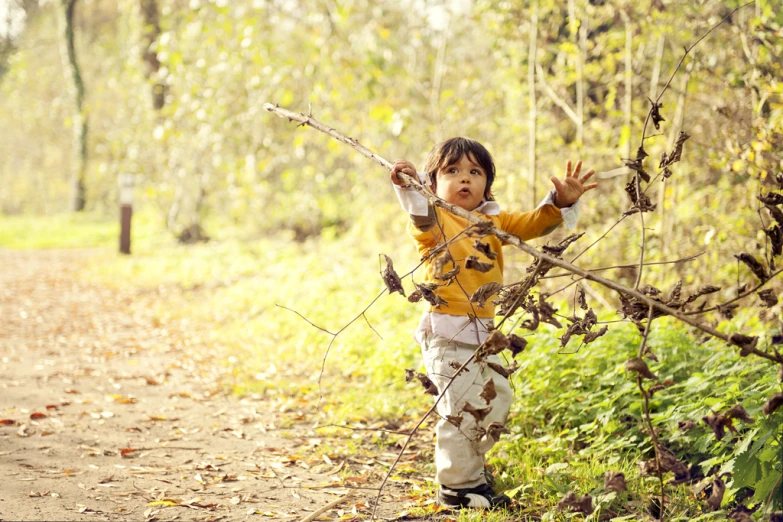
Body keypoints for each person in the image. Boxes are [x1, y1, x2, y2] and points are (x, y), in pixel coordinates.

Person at [389, 137, 596, 509]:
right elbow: (418, 210)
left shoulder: (493, 221)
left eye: (474, 172)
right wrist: (409, 182)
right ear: (433, 182)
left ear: (487, 182)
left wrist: (562, 201)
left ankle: (470, 465)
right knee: (461, 411)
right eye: (452, 171)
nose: (464, 179)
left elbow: (535, 223)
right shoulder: (435, 219)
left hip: (483, 335)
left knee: (497, 398)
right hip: (446, 333)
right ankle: (457, 488)